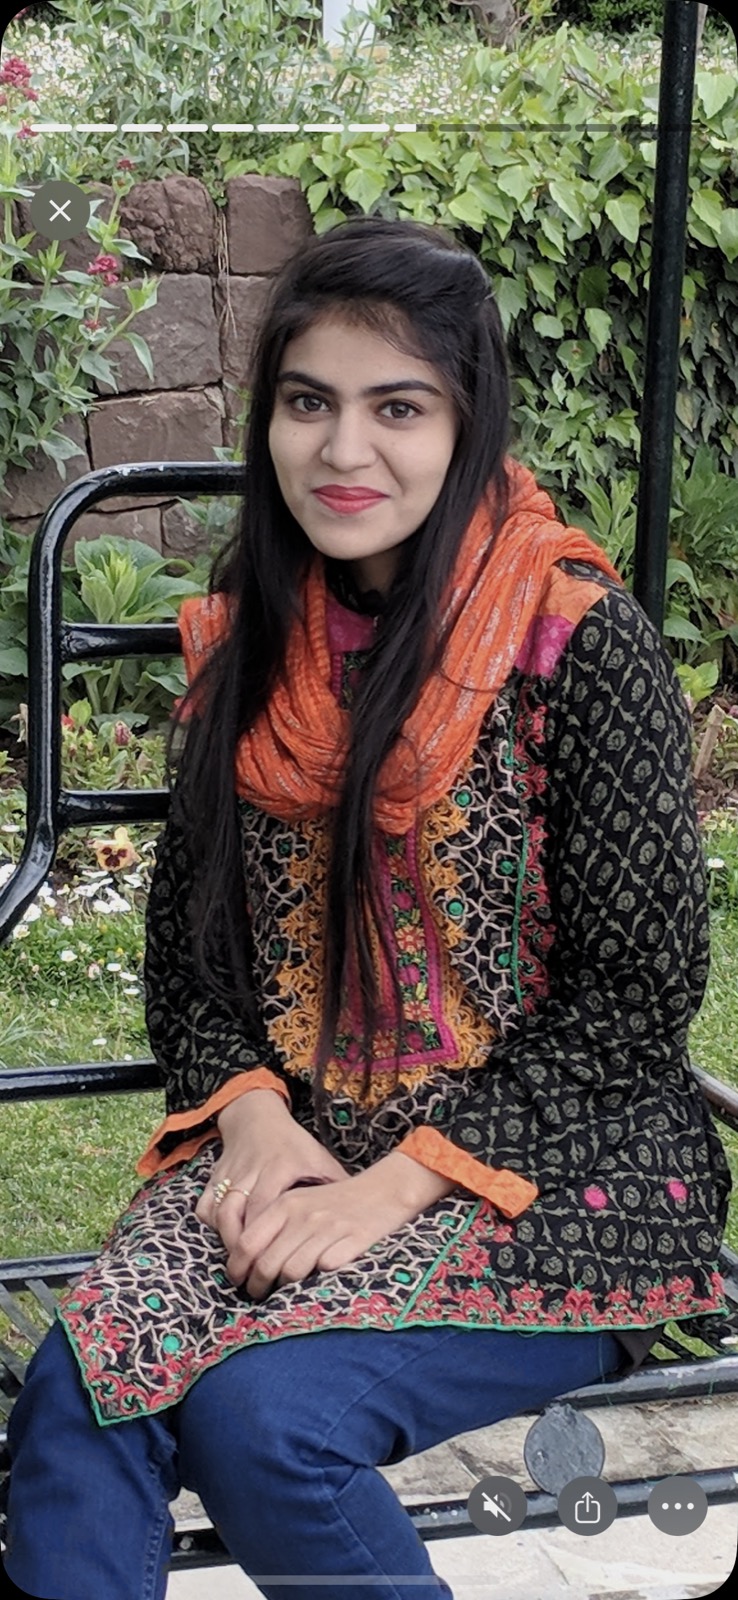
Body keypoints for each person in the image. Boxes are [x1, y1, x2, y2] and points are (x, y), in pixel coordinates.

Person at [3, 215, 731, 1600]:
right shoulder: (249, 647)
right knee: (78, 1396)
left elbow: (636, 1007)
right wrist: (262, 1134)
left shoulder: (574, 642)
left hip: (563, 1186)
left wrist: (394, 1189)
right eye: (307, 404)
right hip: (304, 1153)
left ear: (466, 420)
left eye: (396, 407)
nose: (344, 453)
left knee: (269, 1422)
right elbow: (193, 973)